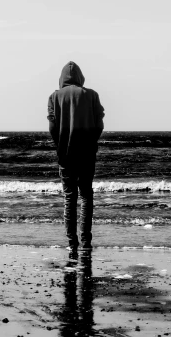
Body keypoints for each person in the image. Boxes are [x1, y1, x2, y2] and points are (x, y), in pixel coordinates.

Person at [47, 61, 105, 252]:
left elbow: (53, 128)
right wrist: (90, 142)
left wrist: (61, 145)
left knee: (69, 198)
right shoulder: (92, 95)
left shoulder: (54, 97)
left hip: (66, 155)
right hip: (87, 155)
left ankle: (72, 243)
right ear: (80, 77)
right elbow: (99, 125)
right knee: (87, 196)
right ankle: (86, 242)